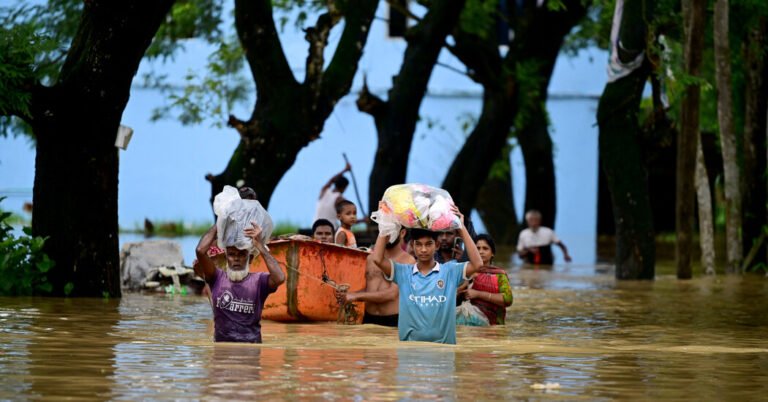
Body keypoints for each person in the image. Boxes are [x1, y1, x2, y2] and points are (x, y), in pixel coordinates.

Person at [370, 204, 483, 344]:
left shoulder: (450, 271)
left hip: (443, 353)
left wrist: (461, 227)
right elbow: (377, 259)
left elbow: (478, 264)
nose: (423, 249)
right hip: (410, 353)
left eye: (428, 244)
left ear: (436, 245)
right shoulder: (403, 272)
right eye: (419, 244)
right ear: (412, 245)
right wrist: (385, 221)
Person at [194, 222, 285, 343]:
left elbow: (280, 278)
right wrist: (220, 223)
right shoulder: (216, 277)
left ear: (250, 258)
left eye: (242, 254)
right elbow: (200, 251)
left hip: (251, 347)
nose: (236, 258)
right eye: (231, 254)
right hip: (222, 349)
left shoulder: (259, 281)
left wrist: (260, 246)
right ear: (226, 257)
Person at [338, 228, 414, 327]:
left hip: (393, 319)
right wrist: (349, 295)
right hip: (369, 318)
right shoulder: (370, 258)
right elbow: (369, 289)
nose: (386, 234)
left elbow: (391, 294)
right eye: (383, 230)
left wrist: (356, 296)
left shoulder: (408, 261)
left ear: (402, 233)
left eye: (390, 230)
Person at [458, 234, 513, 325]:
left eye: (485, 248)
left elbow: (508, 299)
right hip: (468, 323)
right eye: (477, 248)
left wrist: (478, 294)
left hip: (494, 327)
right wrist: (462, 288)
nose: (481, 252)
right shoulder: (464, 273)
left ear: (492, 253)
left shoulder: (499, 275)